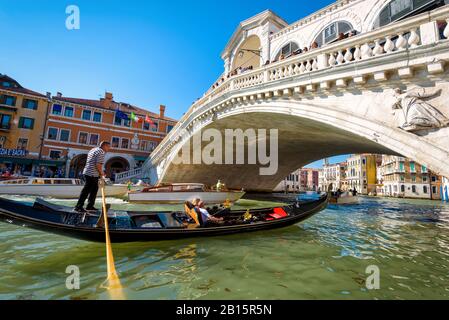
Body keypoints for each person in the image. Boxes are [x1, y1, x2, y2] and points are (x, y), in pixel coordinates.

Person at [74, 141, 110, 213]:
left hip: (89, 172)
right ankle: (78, 206)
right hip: (92, 174)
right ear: (105, 146)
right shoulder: (101, 152)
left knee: (94, 190)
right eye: (108, 147)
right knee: (86, 190)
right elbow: (98, 165)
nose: (109, 149)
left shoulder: (93, 150)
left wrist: (99, 174)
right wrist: (102, 173)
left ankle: (90, 206)